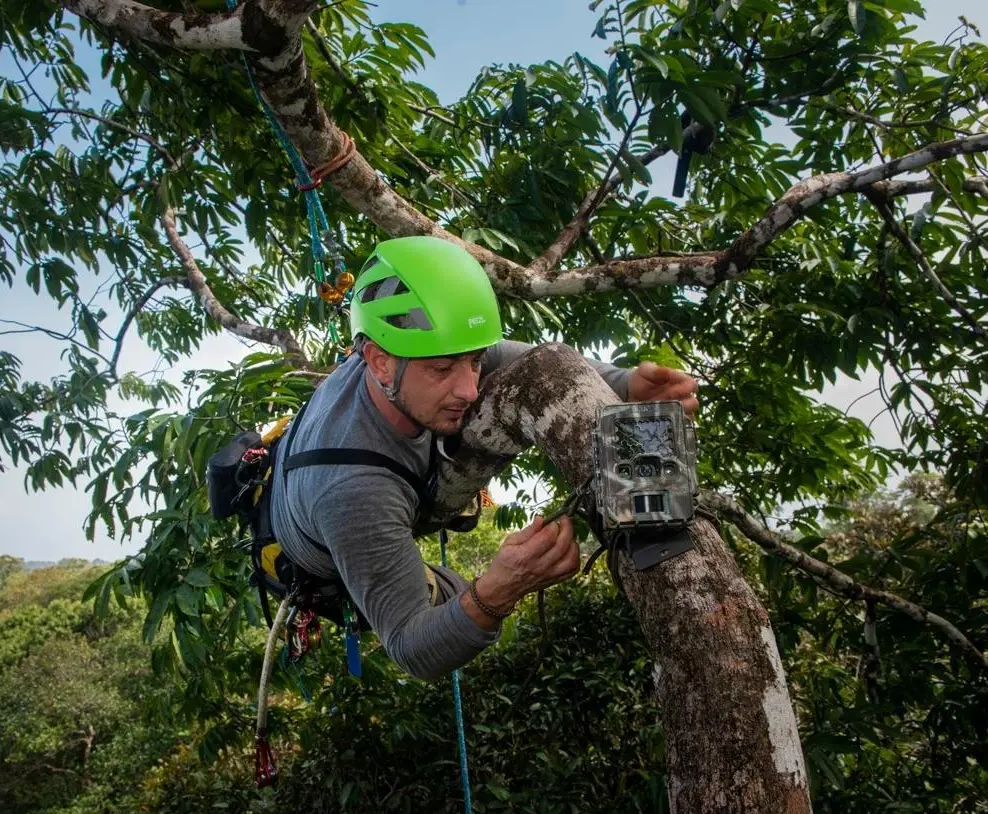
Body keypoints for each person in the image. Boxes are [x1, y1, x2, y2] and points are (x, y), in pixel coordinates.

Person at [269, 236, 698, 680]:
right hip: (332, 536)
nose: (469, 389)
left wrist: (623, 384)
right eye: (442, 370)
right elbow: (413, 648)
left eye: (471, 362)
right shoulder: (354, 490)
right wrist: (502, 589)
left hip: (374, 476)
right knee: (457, 597)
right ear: (378, 362)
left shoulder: (411, 353)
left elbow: (518, 358)